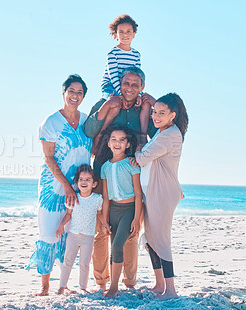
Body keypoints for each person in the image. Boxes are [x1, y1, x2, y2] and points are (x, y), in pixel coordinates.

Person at [83, 65, 156, 291]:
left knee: (132, 234)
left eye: (135, 85)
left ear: (142, 87)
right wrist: (106, 106)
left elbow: (161, 131)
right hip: (102, 175)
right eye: (126, 83)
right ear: (120, 84)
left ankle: (129, 282)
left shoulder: (145, 110)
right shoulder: (106, 102)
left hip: (132, 177)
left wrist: (153, 103)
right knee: (101, 232)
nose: (130, 88)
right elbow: (88, 130)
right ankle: (102, 280)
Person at [26, 74, 92, 296]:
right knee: (49, 234)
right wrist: (65, 185)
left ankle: (63, 285)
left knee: (69, 236)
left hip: (79, 187)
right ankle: (44, 286)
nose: (75, 95)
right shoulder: (51, 122)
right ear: (63, 93)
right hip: (52, 189)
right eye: (71, 91)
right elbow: (49, 158)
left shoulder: (86, 122)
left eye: (80, 92)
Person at [134, 93, 189, 300]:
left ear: (172, 115)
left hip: (162, 194)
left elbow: (142, 158)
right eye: (154, 112)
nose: (156, 116)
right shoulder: (162, 130)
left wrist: (139, 150)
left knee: (162, 240)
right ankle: (159, 284)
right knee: (150, 239)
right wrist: (149, 100)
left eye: (161, 113)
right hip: (153, 192)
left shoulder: (169, 135)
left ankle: (171, 290)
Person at [98, 124, 143, 297]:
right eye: (114, 140)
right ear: (108, 143)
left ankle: (114, 287)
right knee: (113, 248)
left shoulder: (132, 164)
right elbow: (105, 197)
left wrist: (136, 218)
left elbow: (138, 194)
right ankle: (113, 284)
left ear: (128, 144)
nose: (117, 143)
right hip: (113, 211)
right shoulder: (104, 168)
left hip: (129, 210)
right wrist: (104, 220)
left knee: (118, 246)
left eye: (122, 140)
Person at [99, 14, 151, 147]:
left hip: (129, 87)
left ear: (134, 34)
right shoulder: (113, 53)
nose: (125, 35)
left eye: (128, 32)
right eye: (121, 32)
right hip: (111, 85)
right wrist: (120, 94)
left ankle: (142, 136)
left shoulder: (136, 55)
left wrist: (138, 95)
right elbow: (113, 75)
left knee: (144, 103)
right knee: (113, 104)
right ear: (115, 34)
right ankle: (100, 134)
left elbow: (137, 76)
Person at [56, 164, 107, 294]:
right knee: (68, 261)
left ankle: (82, 287)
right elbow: (68, 214)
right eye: (81, 179)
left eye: (88, 179)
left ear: (94, 184)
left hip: (88, 237)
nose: (84, 182)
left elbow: (100, 214)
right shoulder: (73, 197)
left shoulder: (97, 199)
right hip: (73, 236)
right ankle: (62, 286)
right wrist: (61, 225)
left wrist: (105, 224)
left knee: (84, 263)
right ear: (77, 182)